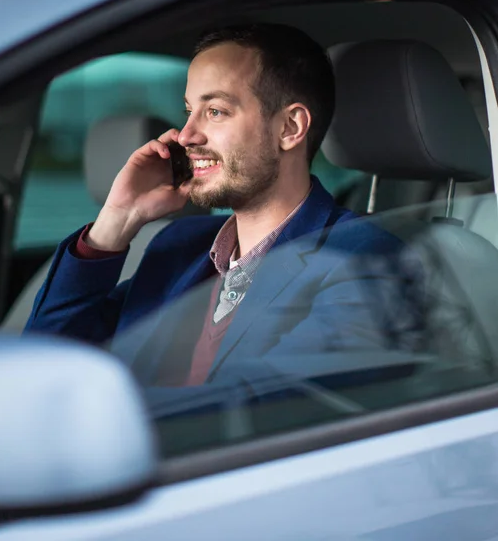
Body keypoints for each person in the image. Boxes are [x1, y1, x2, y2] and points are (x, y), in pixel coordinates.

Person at [25, 23, 423, 416]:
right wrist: (116, 220)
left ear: (290, 127)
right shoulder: (178, 246)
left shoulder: (365, 261)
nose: (185, 135)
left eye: (215, 111)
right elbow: (48, 362)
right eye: (188, 111)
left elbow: (264, 412)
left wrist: (79, 417)